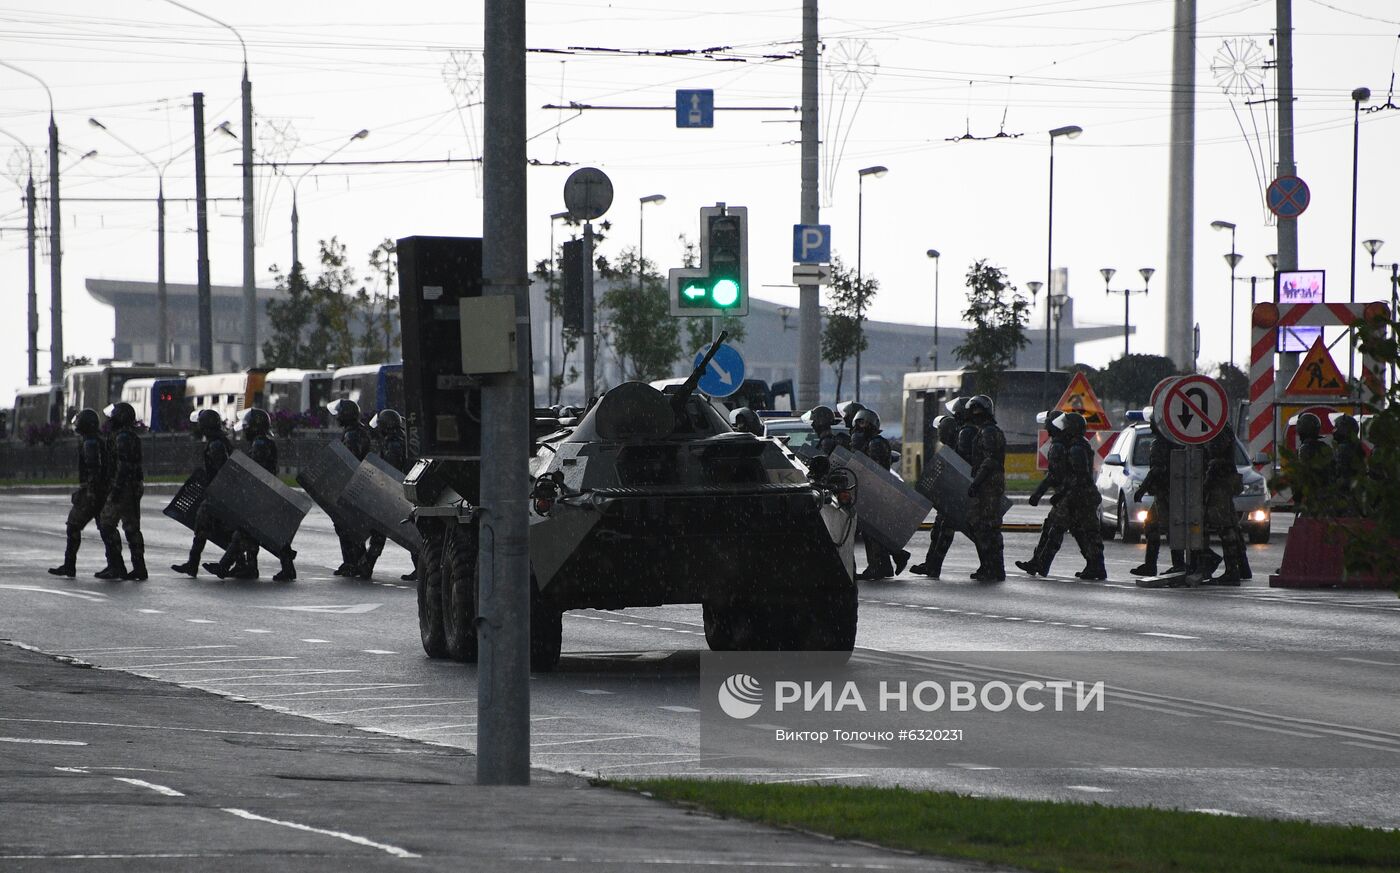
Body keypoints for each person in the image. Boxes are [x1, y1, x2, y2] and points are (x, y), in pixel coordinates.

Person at [203, 409, 298, 582]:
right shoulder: (265, 441)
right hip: (266, 493)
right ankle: (254, 567)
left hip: (261, 494)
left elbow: (254, 471)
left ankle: (226, 566)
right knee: (259, 532)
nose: (245, 431)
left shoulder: (260, 444)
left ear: (254, 427)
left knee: (245, 531)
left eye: (247, 427)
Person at [48, 409, 110, 578]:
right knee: (105, 528)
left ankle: (69, 565)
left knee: (73, 525)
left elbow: (93, 469)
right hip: (100, 490)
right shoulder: (97, 440)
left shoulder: (90, 443)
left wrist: (90, 491)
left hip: (93, 491)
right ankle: (115, 564)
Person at [172, 409, 233, 577]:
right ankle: (193, 563)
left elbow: (222, 472)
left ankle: (194, 564)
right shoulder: (219, 442)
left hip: (219, 494)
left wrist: (216, 493)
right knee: (206, 527)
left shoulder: (216, 445)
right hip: (220, 493)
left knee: (205, 525)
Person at [852, 408, 910, 580]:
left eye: (862, 423)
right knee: (873, 530)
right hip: (873, 491)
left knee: (873, 531)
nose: (859, 426)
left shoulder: (876, 442)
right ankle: (891, 559)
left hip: (877, 491)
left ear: (870, 424)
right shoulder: (871, 441)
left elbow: (873, 469)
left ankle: (880, 565)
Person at [1131, 411, 1186, 578]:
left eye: (1153, 423)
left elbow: (1157, 470)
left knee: (1171, 528)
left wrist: (1142, 489)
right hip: (1169, 491)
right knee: (1152, 525)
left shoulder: (1160, 444)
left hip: (1166, 492)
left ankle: (1178, 564)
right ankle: (1150, 565)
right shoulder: (1173, 442)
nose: (1150, 426)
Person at [96, 402, 145, 581]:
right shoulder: (129, 436)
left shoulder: (122, 437)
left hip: (124, 487)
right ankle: (138, 567)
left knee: (107, 524)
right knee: (132, 527)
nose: (111, 419)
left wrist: (115, 489)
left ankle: (117, 566)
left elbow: (123, 465)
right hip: (131, 486)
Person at [1016, 411, 1069, 577]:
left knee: (1057, 531)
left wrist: (1038, 494)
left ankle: (1041, 564)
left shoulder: (1059, 446)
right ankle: (1038, 563)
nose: (1045, 427)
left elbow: (1054, 475)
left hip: (1071, 497)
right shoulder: (1060, 443)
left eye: (1048, 424)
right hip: (1068, 496)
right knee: (1053, 528)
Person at [359, 408, 410, 580]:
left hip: (394, 492)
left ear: (386, 426)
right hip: (400, 492)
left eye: (380, 425)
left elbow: (390, 471)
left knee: (382, 529)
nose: (378, 429)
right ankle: (368, 565)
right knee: (406, 530)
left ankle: (368, 565)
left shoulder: (394, 444)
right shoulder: (397, 440)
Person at [911, 412, 962, 578]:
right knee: (938, 531)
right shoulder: (950, 447)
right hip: (948, 497)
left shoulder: (959, 447)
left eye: (941, 431)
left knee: (945, 532)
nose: (939, 434)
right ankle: (930, 564)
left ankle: (935, 565)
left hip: (955, 498)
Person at [1200, 422, 1249, 585]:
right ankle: (1239, 567)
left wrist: (1206, 483)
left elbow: (1216, 456)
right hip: (1220, 479)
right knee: (1228, 526)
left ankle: (1232, 570)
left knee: (1225, 527)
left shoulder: (1218, 429)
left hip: (1219, 481)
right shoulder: (1219, 427)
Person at [1060, 412, 1107, 580]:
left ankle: (1097, 566)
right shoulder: (1079, 444)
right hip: (1084, 494)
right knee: (1082, 530)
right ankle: (1093, 564)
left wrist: (1070, 494)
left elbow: (1080, 476)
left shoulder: (1076, 448)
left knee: (1089, 532)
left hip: (1083, 496)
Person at [330, 398, 373, 576]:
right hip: (360, 486)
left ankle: (353, 562)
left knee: (346, 525)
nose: (336, 417)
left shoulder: (352, 434)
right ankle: (352, 561)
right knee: (349, 525)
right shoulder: (358, 430)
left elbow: (348, 462)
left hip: (353, 487)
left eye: (339, 414)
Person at [965, 394, 1006, 582]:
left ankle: (994, 568)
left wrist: (977, 482)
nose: (975, 414)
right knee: (982, 527)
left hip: (988, 486)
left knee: (987, 527)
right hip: (987, 484)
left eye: (977, 411)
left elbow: (990, 460)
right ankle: (989, 566)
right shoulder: (985, 431)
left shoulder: (989, 432)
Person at [1289, 412, 1333, 517]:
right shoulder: (1326, 448)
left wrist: (1297, 498)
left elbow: (1301, 476)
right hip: (1328, 497)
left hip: (1312, 498)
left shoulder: (1304, 450)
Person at [1330, 413, 1366, 517]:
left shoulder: (1343, 449)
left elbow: (1338, 473)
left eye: (1336, 427)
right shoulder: (1356, 447)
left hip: (1344, 496)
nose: (1333, 431)